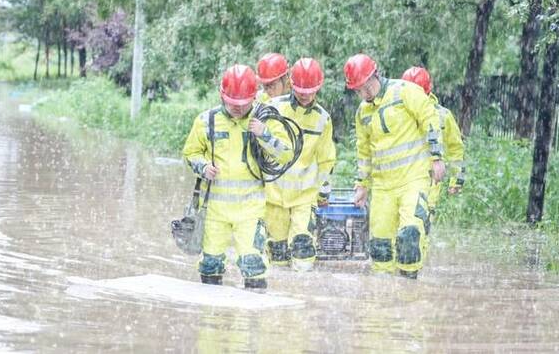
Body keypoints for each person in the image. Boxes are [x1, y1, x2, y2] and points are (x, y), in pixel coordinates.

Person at [182, 64, 293, 289]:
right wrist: (203, 166)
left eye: (243, 105)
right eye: (233, 104)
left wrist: (265, 135)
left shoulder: (265, 119)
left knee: (253, 266)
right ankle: (212, 318)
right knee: (210, 265)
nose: (237, 110)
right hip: (214, 210)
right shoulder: (206, 121)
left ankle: (252, 320)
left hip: (251, 208)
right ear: (222, 96)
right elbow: (190, 153)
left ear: (254, 97)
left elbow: (286, 154)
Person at [343, 54, 445, 279]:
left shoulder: (405, 92)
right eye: (358, 90)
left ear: (375, 75)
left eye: (366, 86)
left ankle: (409, 291)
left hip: (413, 179)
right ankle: (383, 297)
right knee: (379, 247)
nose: (364, 93)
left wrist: (437, 156)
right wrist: (362, 185)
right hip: (382, 187)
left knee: (410, 236)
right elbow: (364, 152)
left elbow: (430, 118)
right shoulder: (363, 113)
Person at [264, 58, 336, 271]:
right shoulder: (273, 108)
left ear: (319, 87)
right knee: (277, 258)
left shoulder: (323, 118)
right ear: (291, 84)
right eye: (301, 90)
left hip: (305, 196)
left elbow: (326, 160)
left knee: (303, 250)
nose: (305, 95)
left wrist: (323, 192)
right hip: (273, 196)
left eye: (310, 90)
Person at [402, 66, 465, 217]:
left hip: (428, 187)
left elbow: (455, 148)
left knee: (420, 228)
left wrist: (457, 179)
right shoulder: (396, 113)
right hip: (400, 183)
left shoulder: (443, 116)